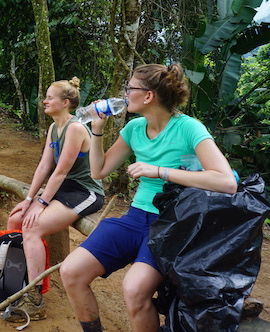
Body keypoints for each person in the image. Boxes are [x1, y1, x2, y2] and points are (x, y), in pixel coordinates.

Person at [59, 64, 238, 332]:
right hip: (136, 217)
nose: (125, 93)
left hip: (172, 225)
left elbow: (226, 182)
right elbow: (99, 170)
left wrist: (160, 172)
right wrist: (97, 130)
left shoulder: (188, 128)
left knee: (133, 289)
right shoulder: (134, 129)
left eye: (130, 88)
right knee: (72, 271)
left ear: (148, 96)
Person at [3, 78, 104, 321]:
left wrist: (42, 202)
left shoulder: (76, 128)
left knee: (32, 227)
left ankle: (35, 298)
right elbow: (45, 166)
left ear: (66, 103)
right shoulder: (53, 128)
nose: (44, 101)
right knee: (16, 218)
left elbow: (61, 171)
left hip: (84, 191)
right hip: (64, 187)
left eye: (49, 97)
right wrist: (29, 199)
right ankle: (13, 280)